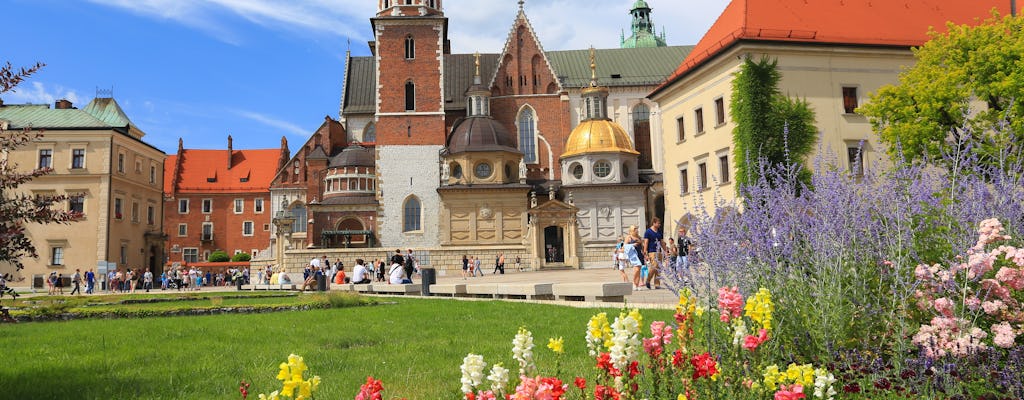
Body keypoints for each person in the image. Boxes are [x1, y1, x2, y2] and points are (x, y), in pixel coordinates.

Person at [643, 217, 665, 290]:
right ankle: (648, 280)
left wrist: (665, 250)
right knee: (654, 266)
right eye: (658, 223)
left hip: (659, 251)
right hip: (652, 251)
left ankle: (657, 284)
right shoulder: (648, 232)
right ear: (654, 223)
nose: (659, 224)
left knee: (659, 268)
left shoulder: (659, 231)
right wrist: (645, 252)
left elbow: (661, 241)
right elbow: (646, 242)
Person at [625, 226, 644, 290]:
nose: (637, 230)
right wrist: (633, 245)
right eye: (635, 229)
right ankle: (633, 283)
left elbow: (642, 246)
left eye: (637, 229)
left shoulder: (639, 237)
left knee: (639, 270)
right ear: (632, 230)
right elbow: (625, 246)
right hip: (633, 255)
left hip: (640, 254)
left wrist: (644, 253)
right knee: (636, 269)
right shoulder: (629, 237)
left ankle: (637, 284)